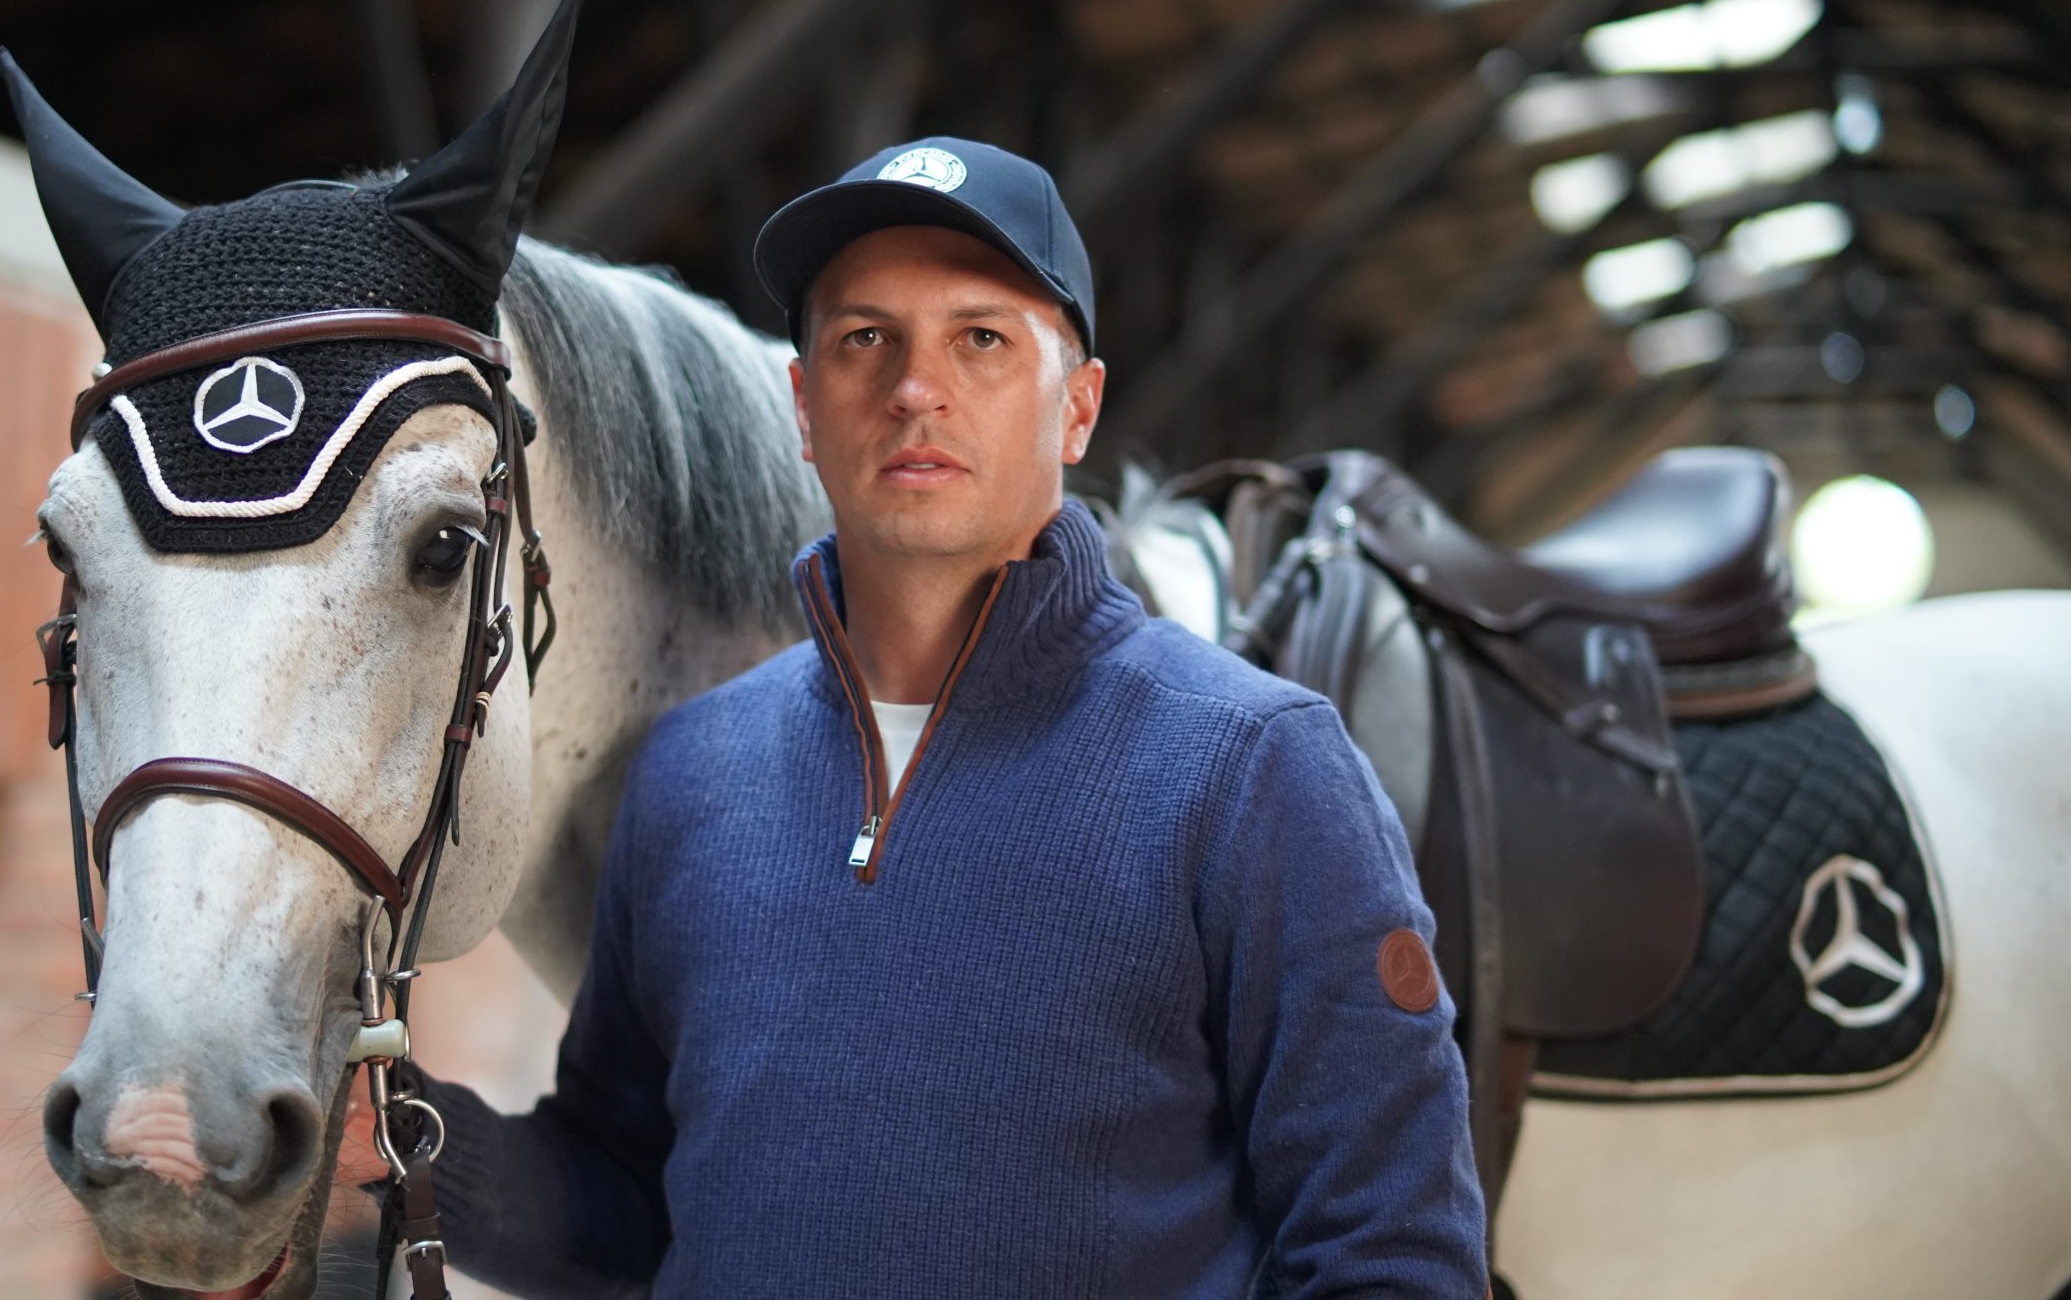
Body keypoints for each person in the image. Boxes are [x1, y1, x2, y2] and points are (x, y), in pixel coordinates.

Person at [415, 138, 1487, 1298]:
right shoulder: (687, 771)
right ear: (804, 408)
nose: (914, 388)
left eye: (980, 338)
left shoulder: (1254, 767)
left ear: (1077, 407)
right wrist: (408, 1156)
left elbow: (1390, 1256)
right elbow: (625, 1203)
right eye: (863, 339)